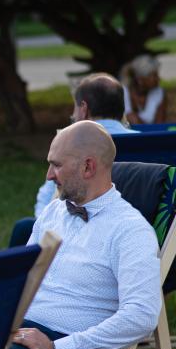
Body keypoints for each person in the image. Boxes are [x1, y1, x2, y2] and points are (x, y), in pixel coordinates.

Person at [3, 120, 161, 349]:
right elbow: (23, 278)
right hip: (19, 331)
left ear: (88, 167)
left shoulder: (130, 230)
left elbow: (142, 316)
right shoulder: (54, 212)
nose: (49, 175)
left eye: (56, 165)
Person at [9, 73, 134, 246]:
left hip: (74, 236)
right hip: (130, 231)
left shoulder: (71, 148)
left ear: (83, 109)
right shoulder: (151, 145)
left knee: (24, 228)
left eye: (74, 108)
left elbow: (46, 201)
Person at [122, 54, 166, 125]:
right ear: (140, 79)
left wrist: (138, 122)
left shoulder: (159, 93)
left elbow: (160, 125)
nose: (158, 79)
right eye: (154, 76)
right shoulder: (121, 92)